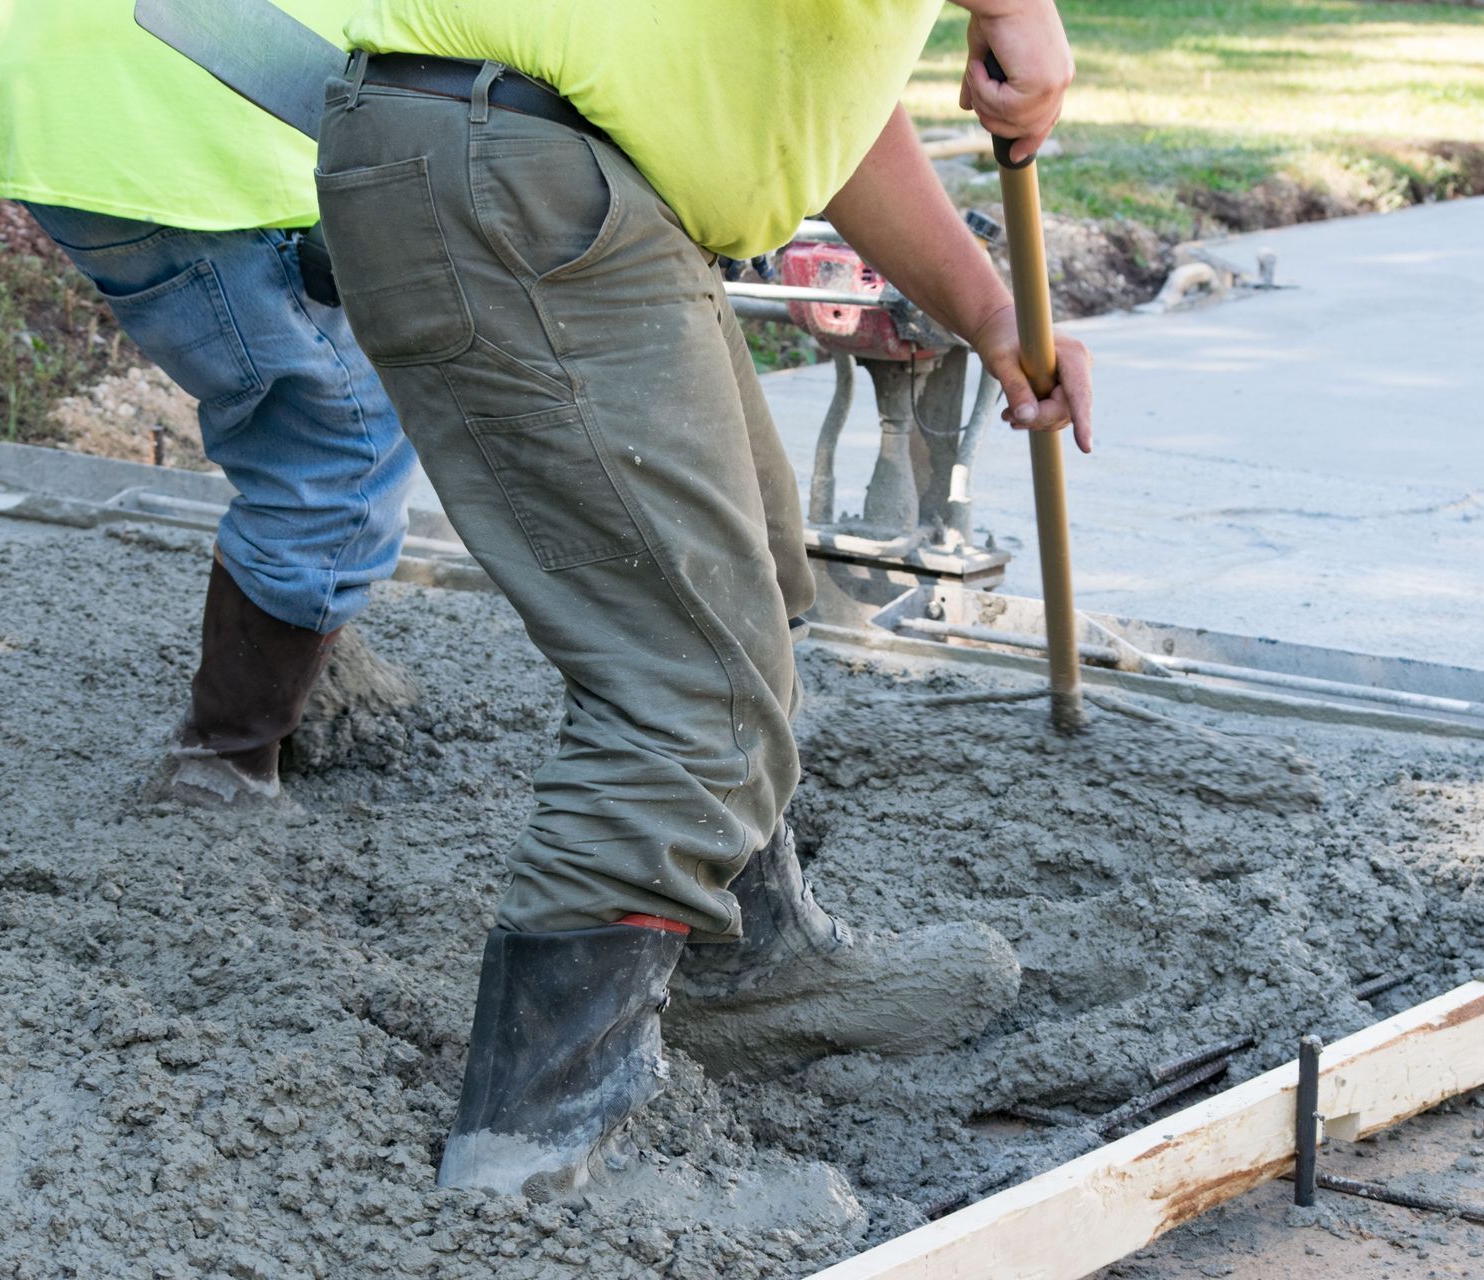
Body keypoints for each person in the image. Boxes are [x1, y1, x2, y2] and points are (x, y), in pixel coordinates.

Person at [317, 0, 1095, 1198]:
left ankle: (743, 962)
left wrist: (991, 313)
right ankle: (536, 1150)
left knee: (757, 579)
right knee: (689, 685)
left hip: (565, 162)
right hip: (523, 156)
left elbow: (827, 116)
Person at [0, 0, 418, 806]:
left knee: (311, 412)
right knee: (340, 453)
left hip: (71, 89)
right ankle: (222, 768)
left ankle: (301, 639)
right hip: (212, 109)